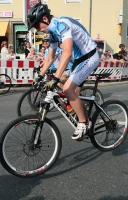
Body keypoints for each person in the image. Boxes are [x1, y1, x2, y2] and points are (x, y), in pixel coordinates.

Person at [27, 2, 99, 140]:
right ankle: (86, 119)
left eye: (37, 25)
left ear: (45, 19)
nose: (37, 30)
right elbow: (50, 57)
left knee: (67, 89)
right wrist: (39, 77)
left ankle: (83, 123)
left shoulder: (61, 24)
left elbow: (66, 52)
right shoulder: (52, 33)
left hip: (89, 56)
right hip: (79, 60)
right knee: (74, 92)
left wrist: (56, 78)